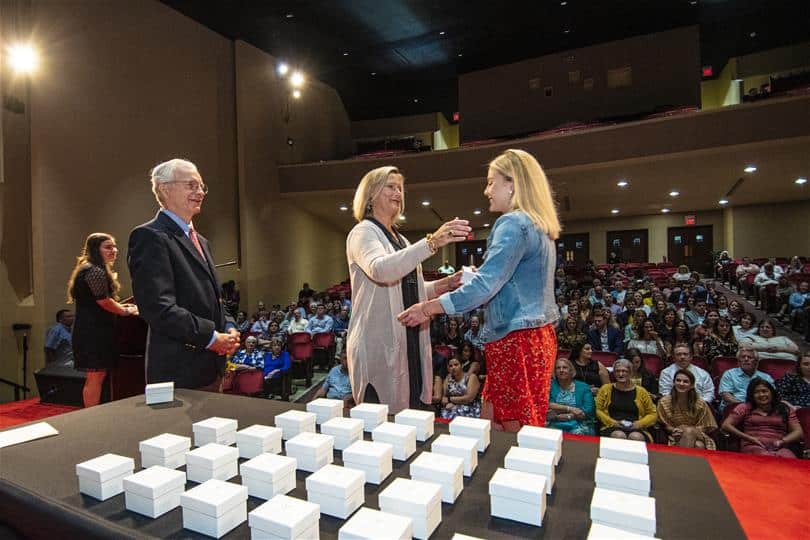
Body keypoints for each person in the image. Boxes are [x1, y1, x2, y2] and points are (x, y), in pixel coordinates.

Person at [399, 149, 561, 431]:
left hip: (515, 339)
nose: (486, 190)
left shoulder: (512, 223)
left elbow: (487, 286)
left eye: (491, 182)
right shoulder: (540, 226)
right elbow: (507, 282)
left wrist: (427, 308)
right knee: (514, 423)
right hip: (536, 337)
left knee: (513, 432)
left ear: (512, 184)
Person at [346, 165, 470, 412]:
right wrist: (433, 242)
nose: (398, 193)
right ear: (371, 195)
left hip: (409, 338)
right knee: (382, 423)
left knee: (412, 420)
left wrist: (445, 284)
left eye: (400, 188)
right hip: (378, 342)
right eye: (390, 187)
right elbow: (381, 270)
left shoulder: (401, 239)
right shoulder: (363, 232)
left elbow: (409, 287)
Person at [128, 159, 239, 390]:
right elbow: (159, 308)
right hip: (179, 371)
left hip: (211, 367)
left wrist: (229, 327)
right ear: (165, 188)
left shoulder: (202, 241)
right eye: (191, 185)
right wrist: (211, 338)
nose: (199, 192)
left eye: (201, 186)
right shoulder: (150, 237)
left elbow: (215, 299)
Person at [67, 233, 139, 407]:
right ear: (94, 249)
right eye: (108, 247)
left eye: (114, 246)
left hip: (94, 329)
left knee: (97, 376)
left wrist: (125, 308)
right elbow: (103, 301)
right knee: (95, 377)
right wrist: (125, 311)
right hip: (93, 332)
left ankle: (92, 414)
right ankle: (91, 417)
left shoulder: (91, 268)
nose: (114, 250)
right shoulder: (94, 270)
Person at [722, 378, 803, 458]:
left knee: (789, 459)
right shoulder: (745, 407)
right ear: (752, 395)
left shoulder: (784, 408)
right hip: (753, 446)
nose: (761, 395)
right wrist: (749, 438)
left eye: (764, 391)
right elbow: (726, 425)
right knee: (765, 459)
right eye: (756, 392)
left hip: (779, 447)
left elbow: (798, 431)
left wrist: (782, 441)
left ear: (771, 392)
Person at [595, 359, 658, 442]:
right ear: (614, 373)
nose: (620, 374)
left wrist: (639, 424)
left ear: (630, 373)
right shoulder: (605, 389)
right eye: (617, 371)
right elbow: (598, 410)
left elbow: (652, 414)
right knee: (619, 435)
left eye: (624, 371)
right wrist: (613, 422)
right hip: (611, 426)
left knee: (635, 437)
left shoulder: (642, 391)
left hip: (636, 427)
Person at [656, 368, 717, 449]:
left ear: (691, 385)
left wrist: (687, 429)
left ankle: (678, 461)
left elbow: (708, 426)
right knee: (699, 446)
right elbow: (664, 424)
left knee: (689, 431)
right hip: (675, 435)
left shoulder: (700, 403)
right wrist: (674, 430)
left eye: (685, 381)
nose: (681, 383)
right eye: (678, 380)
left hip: (699, 434)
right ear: (674, 383)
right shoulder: (664, 402)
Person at [547, 357, 596, 435]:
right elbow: (548, 404)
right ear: (555, 372)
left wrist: (569, 416)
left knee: (578, 433)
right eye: (558, 368)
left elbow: (588, 410)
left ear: (571, 371)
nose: (561, 370)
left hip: (579, 423)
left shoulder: (583, 387)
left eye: (565, 368)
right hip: (555, 421)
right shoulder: (550, 385)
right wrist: (570, 409)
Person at [718, 345, 774, 411]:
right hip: (735, 408)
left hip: (761, 408)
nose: (746, 359)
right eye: (743, 357)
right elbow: (725, 395)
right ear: (738, 361)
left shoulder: (766, 377)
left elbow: (772, 395)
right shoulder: (729, 374)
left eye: (749, 357)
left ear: (756, 362)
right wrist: (745, 407)